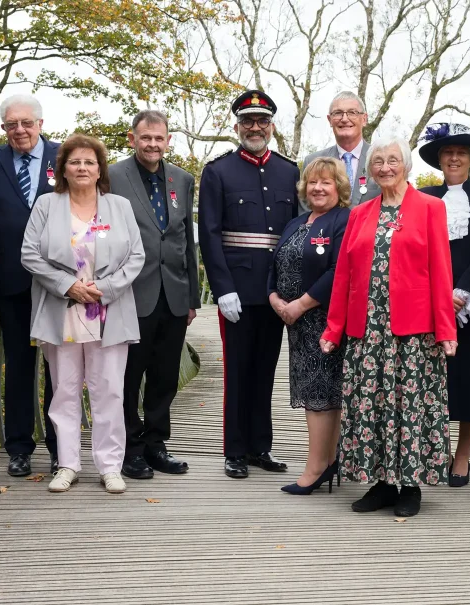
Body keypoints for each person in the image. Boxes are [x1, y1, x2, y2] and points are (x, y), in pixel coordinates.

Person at [320, 138, 457, 517]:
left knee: (409, 406)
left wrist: (446, 330)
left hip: (414, 331)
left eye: (392, 160)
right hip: (367, 330)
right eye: (377, 161)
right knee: (372, 405)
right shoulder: (360, 213)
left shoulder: (430, 208)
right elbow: (344, 275)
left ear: (406, 165)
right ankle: (381, 484)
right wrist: (334, 329)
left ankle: (410, 487)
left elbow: (442, 271)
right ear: (369, 168)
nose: (385, 167)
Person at [21, 134, 145, 494]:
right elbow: (29, 254)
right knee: (64, 390)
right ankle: (67, 463)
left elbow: (136, 255)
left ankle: (110, 466)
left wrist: (104, 290)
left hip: (108, 310)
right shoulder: (47, 204)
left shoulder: (119, 206)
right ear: (63, 168)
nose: (82, 168)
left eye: (89, 162)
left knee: (109, 390)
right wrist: (68, 285)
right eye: (74, 161)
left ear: (100, 169)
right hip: (63, 309)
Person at [198, 89, 300, 479]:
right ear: (237, 125)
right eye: (247, 121)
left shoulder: (289, 172)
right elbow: (209, 234)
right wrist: (222, 288)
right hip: (236, 290)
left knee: (265, 371)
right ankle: (235, 451)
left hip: (276, 290)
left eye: (261, 121)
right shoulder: (218, 171)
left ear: (271, 126)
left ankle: (262, 447)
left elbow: (295, 234)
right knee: (237, 372)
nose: (254, 127)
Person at [109, 109, 199, 480]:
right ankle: (129, 447)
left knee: (164, 375)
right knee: (129, 375)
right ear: (133, 139)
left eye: (159, 138)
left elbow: (186, 241)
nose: (152, 144)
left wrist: (193, 296)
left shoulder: (182, 178)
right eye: (145, 138)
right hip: (131, 292)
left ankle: (157, 443)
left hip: (175, 294)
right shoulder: (112, 175)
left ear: (168, 140)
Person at [417, 123, 470, 488]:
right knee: (428, 379)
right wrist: (438, 292)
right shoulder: (421, 196)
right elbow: (414, 250)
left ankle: (463, 456)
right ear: (439, 159)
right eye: (447, 152)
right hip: (427, 300)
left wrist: (465, 291)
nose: (454, 158)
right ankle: (431, 452)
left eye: (461, 153)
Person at [0, 93, 59, 477]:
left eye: (27, 123)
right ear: (4, 128)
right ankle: (19, 448)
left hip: (60, 285)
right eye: (12, 124)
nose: (20, 130)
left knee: (61, 369)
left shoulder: (65, 157)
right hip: (11, 281)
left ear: (41, 124)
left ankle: (62, 448)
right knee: (19, 366)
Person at [267, 157, 351, 495]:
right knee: (316, 394)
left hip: (324, 321)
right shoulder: (297, 222)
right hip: (295, 323)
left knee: (321, 394)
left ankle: (316, 466)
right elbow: (276, 263)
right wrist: (274, 298)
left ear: (339, 188)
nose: (318, 188)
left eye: (326, 182)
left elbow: (339, 270)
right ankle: (328, 462)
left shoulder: (344, 220)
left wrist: (301, 304)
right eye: (313, 182)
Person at [302, 91, 381, 208]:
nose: (344, 119)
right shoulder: (313, 162)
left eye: (352, 112)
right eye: (338, 113)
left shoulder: (381, 159)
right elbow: (307, 212)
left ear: (364, 119)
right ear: (329, 120)